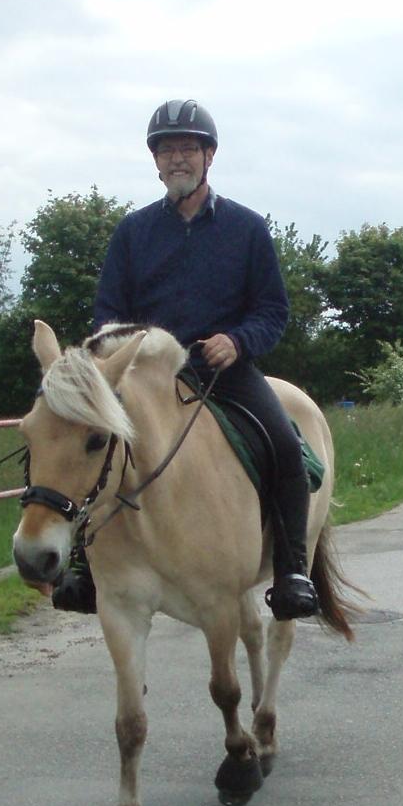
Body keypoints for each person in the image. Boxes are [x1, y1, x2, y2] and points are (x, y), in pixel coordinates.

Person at [52, 98, 318, 622]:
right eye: (167, 150)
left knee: (286, 447)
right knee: (88, 444)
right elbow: (108, 312)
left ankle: (292, 571)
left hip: (223, 371)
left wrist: (238, 341)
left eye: (188, 148)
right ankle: (84, 565)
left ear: (209, 156)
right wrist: (129, 349)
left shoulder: (246, 228)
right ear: (155, 161)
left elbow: (272, 310)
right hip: (147, 378)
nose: (178, 158)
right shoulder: (132, 232)